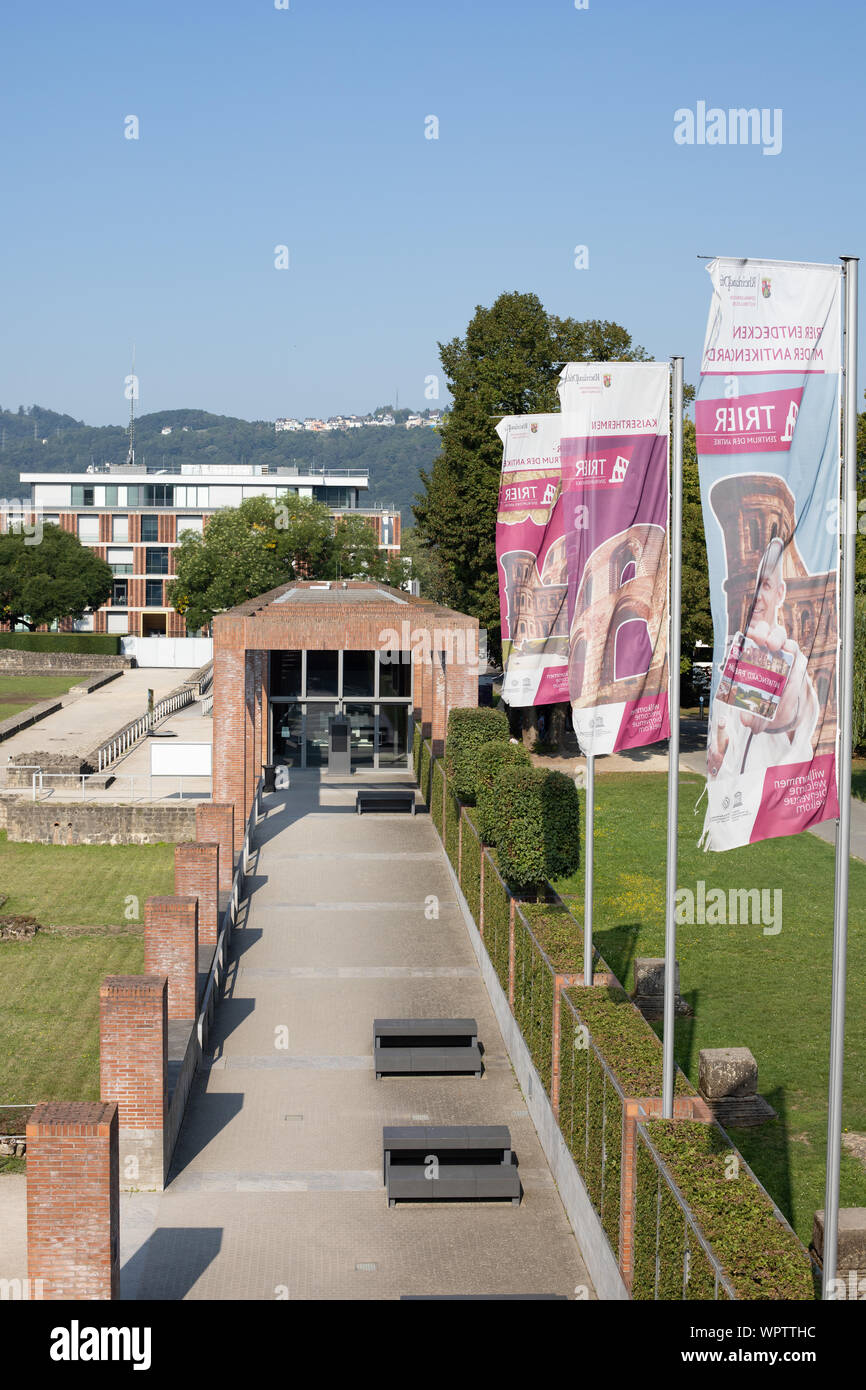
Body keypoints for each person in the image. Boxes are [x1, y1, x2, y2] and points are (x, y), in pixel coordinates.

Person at [703, 535, 818, 849]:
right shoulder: (734, 661)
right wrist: (716, 760)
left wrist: (788, 714)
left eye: (765, 585)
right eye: (749, 584)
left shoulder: (791, 661)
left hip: (773, 824)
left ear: (780, 592)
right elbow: (724, 751)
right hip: (730, 821)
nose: (756, 595)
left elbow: (799, 716)